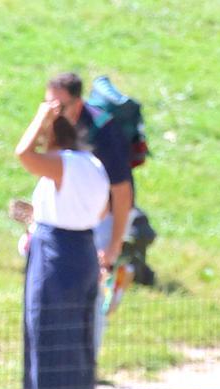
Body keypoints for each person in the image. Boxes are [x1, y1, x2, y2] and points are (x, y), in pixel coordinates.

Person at [16, 99, 109, 389]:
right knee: (76, 327)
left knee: (46, 324)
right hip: (83, 247)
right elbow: (100, 212)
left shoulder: (63, 162)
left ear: (53, 139)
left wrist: (41, 113)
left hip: (56, 251)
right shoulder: (94, 164)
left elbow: (23, 154)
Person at [45, 73, 134, 356]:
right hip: (73, 218)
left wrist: (114, 244)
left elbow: (122, 192)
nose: (54, 110)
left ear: (78, 102)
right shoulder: (58, 126)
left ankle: (88, 364)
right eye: (49, 103)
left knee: (93, 291)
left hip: (104, 219)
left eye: (60, 105)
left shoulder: (102, 131)